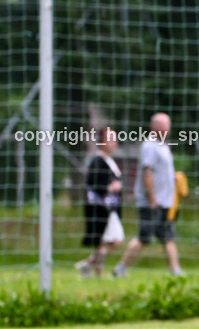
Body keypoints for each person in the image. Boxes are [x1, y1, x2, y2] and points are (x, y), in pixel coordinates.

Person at [113, 113, 185, 277]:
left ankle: (175, 271)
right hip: (152, 203)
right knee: (143, 238)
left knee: (168, 237)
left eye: (168, 124)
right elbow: (147, 173)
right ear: (153, 127)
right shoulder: (150, 146)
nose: (167, 128)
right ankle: (120, 269)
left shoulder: (163, 146)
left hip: (165, 202)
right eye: (163, 125)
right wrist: (152, 199)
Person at [76, 127, 124, 278]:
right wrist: (111, 187)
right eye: (111, 139)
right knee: (115, 240)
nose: (115, 142)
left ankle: (93, 269)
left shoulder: (109, 161)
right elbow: (93, 184)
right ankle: (89, 266)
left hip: (110, 207)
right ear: (102, 141)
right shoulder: (98, 161)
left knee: (105, 242)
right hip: (102, 208)